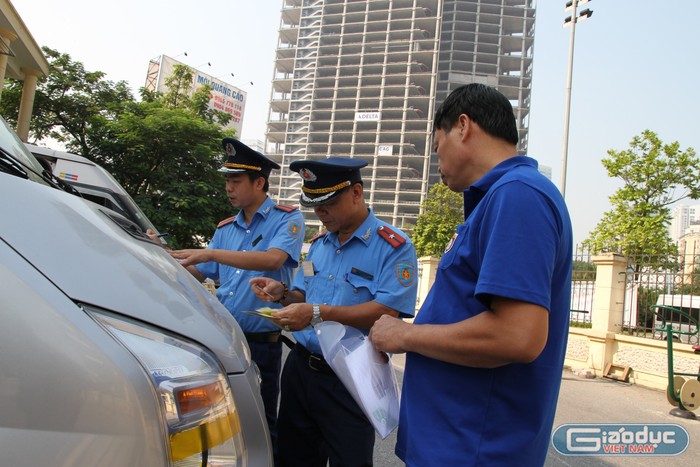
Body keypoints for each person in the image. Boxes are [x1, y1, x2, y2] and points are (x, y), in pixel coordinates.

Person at [369, 83, 573, 466]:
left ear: (463, 126)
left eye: (437, 145)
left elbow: (517, 337)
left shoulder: (518, 195)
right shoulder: (500, 198)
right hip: (457, 444)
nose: (437, 161)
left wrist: (405, 334)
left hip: (474, 449)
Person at [251, 157, 418, 467]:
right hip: (301, 370)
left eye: (328, 202)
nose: (320, 212)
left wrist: (316, 312)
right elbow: (303, 293)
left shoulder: (393, 246)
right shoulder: (319, 244)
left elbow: (387, 310)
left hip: (350, 377)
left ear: (356, 192)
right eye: (314, 204)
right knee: (292, 458)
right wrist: (283, 294)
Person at [165, 137, 305, 456]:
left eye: (236, 180)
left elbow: (273, 260)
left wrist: (210, 253)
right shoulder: (225, 228)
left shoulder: (287, 219)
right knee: (219, 425)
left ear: (259, 182)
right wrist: (160, 256)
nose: (229, 187)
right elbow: (199, 272)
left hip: (261, 344)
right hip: (223, 341)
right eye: (227, 180)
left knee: (262, 423)